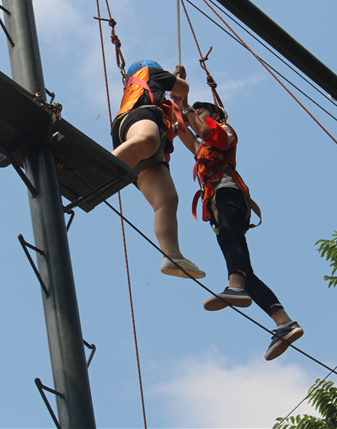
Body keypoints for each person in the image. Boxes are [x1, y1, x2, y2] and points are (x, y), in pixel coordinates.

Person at [174, 100, 303, 361]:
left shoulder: (225, 131)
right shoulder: (204, 147)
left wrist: (187, 107)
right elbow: (184, 133)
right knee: (247, 272)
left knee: (231, 242)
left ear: (215, 114)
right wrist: (177, 102)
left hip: (229, 195)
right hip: (220, 202)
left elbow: (209, 133)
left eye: (201, 113)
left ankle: (235, 287)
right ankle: (284, 322)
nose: (195, 116)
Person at [111, 59, 205, 280]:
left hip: (143, 142)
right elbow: (183, 89)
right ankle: (98, 164)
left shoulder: (157, 103)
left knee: (167, 200)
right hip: (139, 121)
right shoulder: (150, 73)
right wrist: (179, 80)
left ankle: (172, 255)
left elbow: (178, 127)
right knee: (147, 139)